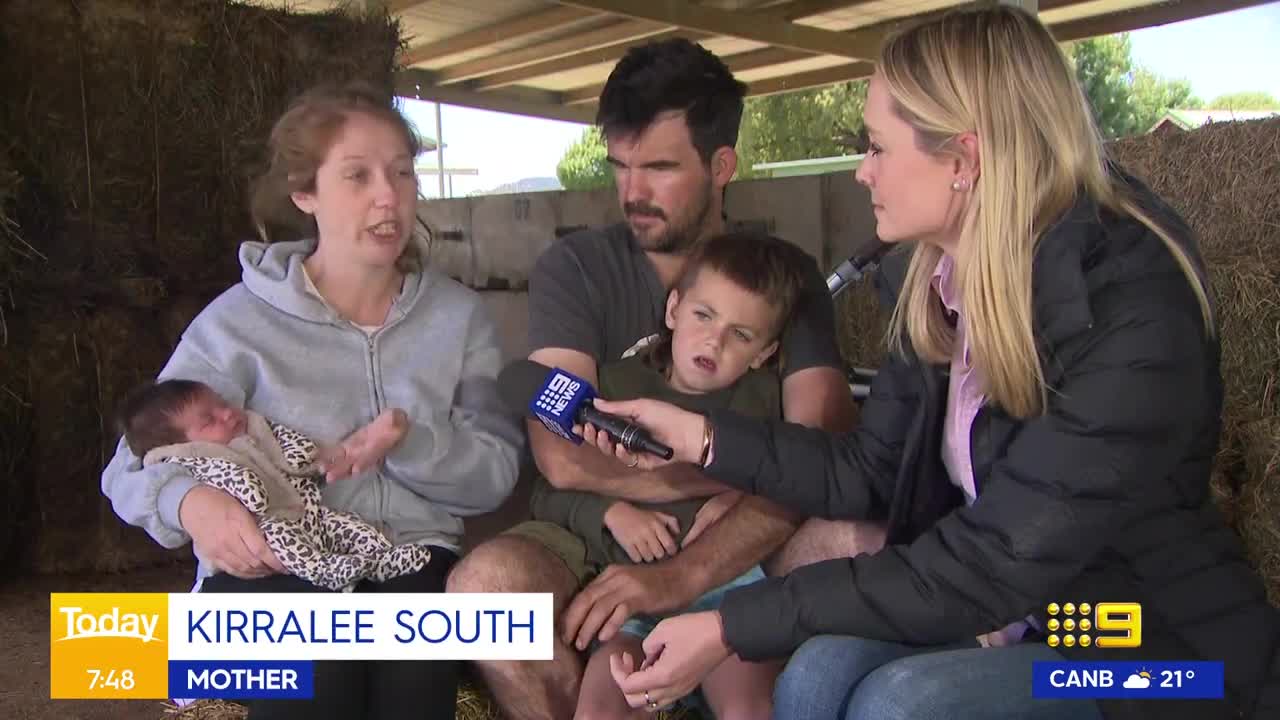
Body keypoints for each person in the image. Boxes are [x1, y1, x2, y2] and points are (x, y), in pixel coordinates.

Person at [577, 7, 1280, 720]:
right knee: (816, 675)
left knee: (904, 703)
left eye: (877, 147)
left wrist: (730, 623)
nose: (861, 170)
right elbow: (865, 471)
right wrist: (697, 434)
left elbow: (994, 560)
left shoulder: (1132, 309)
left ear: (963, 160)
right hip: (1029, 618)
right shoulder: (943, 284)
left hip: (1152, 656)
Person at [445, 37, 878, 720]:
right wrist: (741, 473)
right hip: (593, 538)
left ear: (722, 166)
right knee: (484, 593)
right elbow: (561, 456)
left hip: (732, 543)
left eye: (660, 167)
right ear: (674, 314)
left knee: (853, 534)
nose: (631, 191)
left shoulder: (782, 277)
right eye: (620, 166)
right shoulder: (577, 267)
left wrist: (688, 567)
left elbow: (826, 455)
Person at [100, 81, 523, 720]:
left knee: (413, 688)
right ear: (305, 194)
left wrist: (407, 444)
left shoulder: (460, 318)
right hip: (276, 555)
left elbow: (494, 474)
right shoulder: (236, 324)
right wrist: (191, 503)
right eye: (357, 176)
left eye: (403, 173)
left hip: (411, 552)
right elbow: (129, 465)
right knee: (318, 680)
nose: (389, 195)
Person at [529, 231, 811, 718]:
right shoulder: (614, 389)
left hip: (730, 593)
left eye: (741, 335)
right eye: (703, 316)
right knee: (599, 705)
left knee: (746, 707)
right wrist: (610, 512)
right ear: (673, 310)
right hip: (633, 600)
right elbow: (545, 489)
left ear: (764, 352)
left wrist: (740, 499)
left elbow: (801, 477)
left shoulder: (765, 403)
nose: (714, 340)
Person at [118, 378, 430, 592]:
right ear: (179, 443)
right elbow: (236, 484)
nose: (228, 413)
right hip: (258, 532)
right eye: (209, 420)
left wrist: (339, 453)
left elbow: (300, 454)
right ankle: (328, 572)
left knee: (344, 524)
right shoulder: (189, 459)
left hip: (306, 516)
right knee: (280, 537)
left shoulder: (254, 432)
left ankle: (383, 558)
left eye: (222, 403)